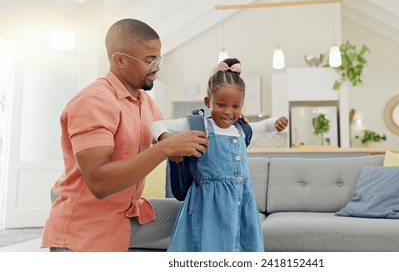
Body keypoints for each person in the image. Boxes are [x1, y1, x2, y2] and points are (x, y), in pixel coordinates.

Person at [41, 18, 208, 252]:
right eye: (150, 59)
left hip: (127, 214)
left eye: (159, 58)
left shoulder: (145, 102)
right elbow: (99, 182)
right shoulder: (93, 102)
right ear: (119, 59)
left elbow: (162, 134)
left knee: (204, 212)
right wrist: (165, 149)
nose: (157, 67)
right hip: (87, 227)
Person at [150, 58, 289, 252]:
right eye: (222, 105)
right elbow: (156, 124)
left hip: (241, 201)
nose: (228, 112)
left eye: (235, 106)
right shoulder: (198, 125)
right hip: (207, 203)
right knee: (208, 245)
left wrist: (276, 123)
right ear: (208, 102)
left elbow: (264, 126)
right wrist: (168, 141)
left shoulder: (242, 129)